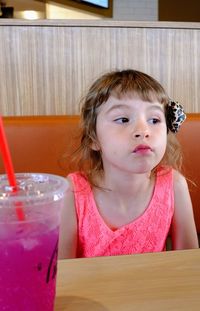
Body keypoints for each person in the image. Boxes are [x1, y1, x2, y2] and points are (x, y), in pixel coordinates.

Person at [58, 69, 199, 259]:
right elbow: (63, 273)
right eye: (123, 119)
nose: (143, 131)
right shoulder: (73, 191)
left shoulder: (174, 185)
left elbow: (187, 268)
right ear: (93, 138)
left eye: (155, 120)